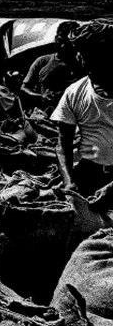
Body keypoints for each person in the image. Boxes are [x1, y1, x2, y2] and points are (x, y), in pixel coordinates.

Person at [51, 19, 113, 197]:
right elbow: (63, 145)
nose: (78, 57)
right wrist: (69, 181)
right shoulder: (74, 92)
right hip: (89, 175)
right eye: (79, 52)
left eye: (83, 53)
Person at [20, 20, 82, 109]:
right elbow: (24, 88)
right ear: (55, 38)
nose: (63, 46)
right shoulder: (42, 61)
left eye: (67, 43)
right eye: (61, 41)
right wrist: (41, 96)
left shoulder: (82, 65)